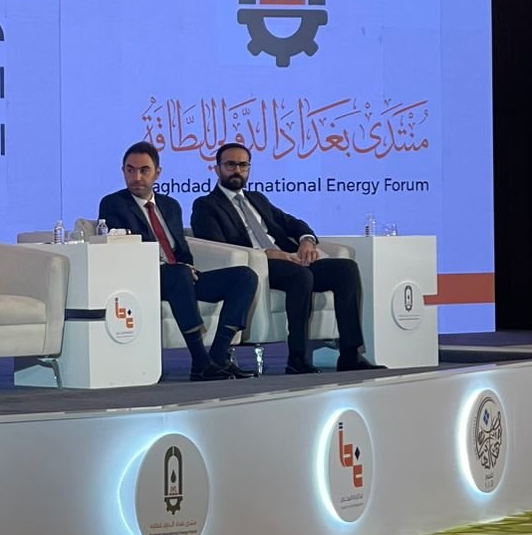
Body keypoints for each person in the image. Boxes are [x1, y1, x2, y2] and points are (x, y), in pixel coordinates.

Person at [190, 142, 382, 374]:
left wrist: (306, 240)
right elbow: (217, 245)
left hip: (288, 258)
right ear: (217, 168)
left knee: (346, 269)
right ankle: (297, 357)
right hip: (258, 265)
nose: (237, 170)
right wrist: (266, 254)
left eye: (243, 165)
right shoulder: (206, 205)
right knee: (301, 276)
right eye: (230, 165)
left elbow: (292, 223)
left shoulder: (257, 199)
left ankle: (350, 354)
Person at [98, 141, 258, 380]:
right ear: (123, 171)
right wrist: (177, 268)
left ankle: (218, 356)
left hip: (180, 276)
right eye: (130, 170)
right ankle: (200, 361)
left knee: (245, 276)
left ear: (157, 173)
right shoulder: (114, 204)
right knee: (179, 273)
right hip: (146, 278)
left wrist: (188, 266)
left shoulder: (170, 206)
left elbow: (181, 248)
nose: (136, 177)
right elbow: (126, 249)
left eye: (144, 170)